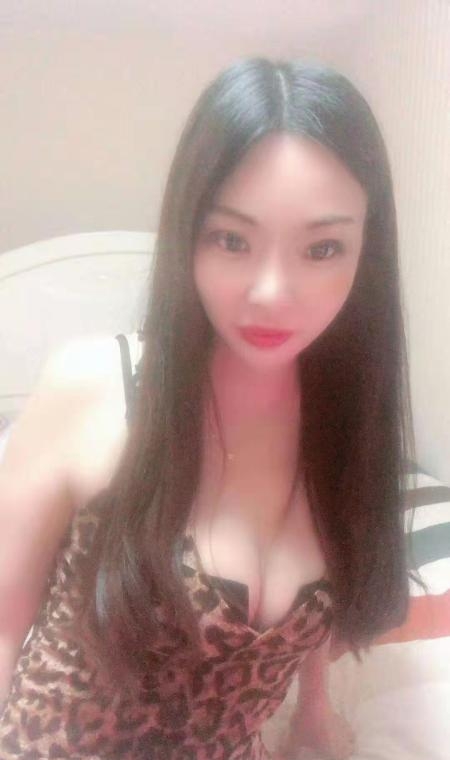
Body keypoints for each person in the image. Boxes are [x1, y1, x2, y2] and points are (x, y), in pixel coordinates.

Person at [0, 56, 416, 759]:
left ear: (364, 255)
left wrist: (313, 714)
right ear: (187, 236)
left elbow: (324, 601)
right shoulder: (92, 388)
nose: (271, 293)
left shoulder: (350, 429)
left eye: (322, 247)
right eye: (231, 239)